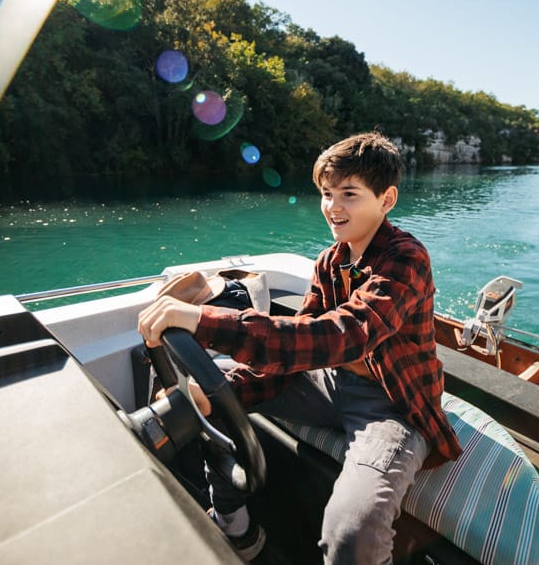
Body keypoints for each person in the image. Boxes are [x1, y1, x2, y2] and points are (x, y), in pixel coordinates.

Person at [137, 131, 462, 564]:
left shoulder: (406, 259)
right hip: (328, 382)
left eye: (349, 194)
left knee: (353, 531)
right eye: (327, 194)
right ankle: (235, 526)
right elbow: (301, 339)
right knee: (210, 403)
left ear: (387, 200)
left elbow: (343, 335)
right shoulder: (331, 261)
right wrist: (224, 387)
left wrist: (202, 319)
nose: (333, 206)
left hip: (392, 402)